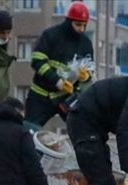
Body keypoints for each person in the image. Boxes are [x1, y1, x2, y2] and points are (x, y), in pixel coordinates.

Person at [25, 1, 94, 132]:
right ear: (68, 22)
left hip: (67, 96)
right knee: (29, 131)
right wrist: (57, 81)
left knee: (82, 130)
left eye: (84, 25)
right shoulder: (50, 35)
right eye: (78, 25)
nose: (81, 29)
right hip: (41, 94)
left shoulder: (86, 43)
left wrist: (85, 76)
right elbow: (37, 61)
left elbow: (90, 69)